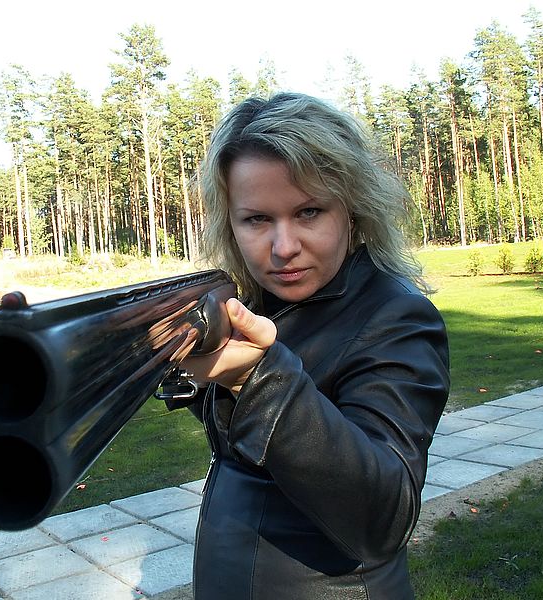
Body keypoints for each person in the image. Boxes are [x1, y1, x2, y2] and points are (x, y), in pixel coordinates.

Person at [173, 91, 450, 599]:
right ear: (230, 225)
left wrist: (255, 380)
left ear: (353, 209)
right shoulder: (261, 303)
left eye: (308, 212)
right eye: (256, 219)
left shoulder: (395, 315)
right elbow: (249, 447)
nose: (283, 247)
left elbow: (383, 515)